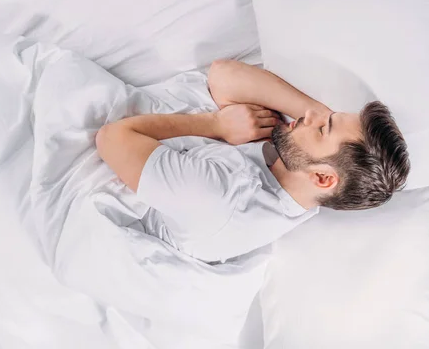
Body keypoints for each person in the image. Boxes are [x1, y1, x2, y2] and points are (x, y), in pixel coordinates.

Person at [95, 60, 410, 262]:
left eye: (323, 127)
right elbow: (224, 75)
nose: (310, 115)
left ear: (324, 179)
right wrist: (325, 119)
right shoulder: (297, 168)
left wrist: (215, 125)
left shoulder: (219, 196)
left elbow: (110, 139)